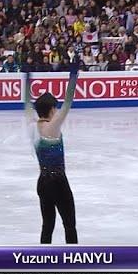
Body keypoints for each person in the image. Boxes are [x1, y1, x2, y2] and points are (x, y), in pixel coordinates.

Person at [22, 55, 80, 244]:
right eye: (55, 108)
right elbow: (68, 102)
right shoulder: (52, 127)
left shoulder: (32, 124)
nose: (57, 110)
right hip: (58, 183)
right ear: (51, 110)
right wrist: (73, 76)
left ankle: (43, 261)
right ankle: (74, 261)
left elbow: (27, 102)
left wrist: (27, 79)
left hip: (43, 183)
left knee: (47, 226)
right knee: (69, 225)